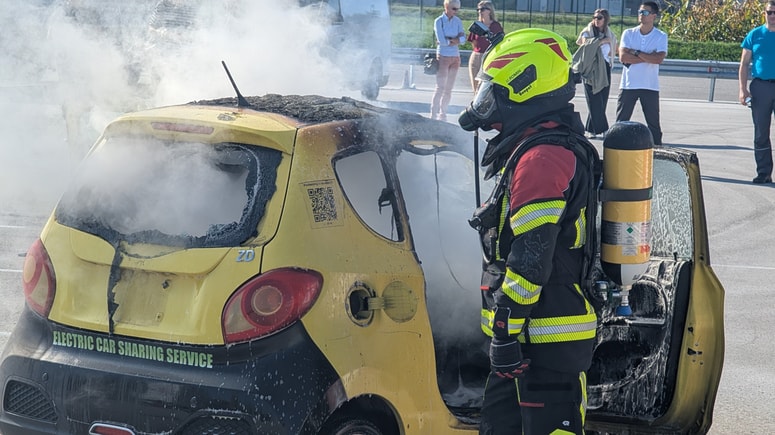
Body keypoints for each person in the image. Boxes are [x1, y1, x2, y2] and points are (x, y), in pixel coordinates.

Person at [458, 28, 598, 435]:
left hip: (544, 342)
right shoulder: (541, 147)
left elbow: (531, 259)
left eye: (492, 92)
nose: (484, 106)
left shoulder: (542, 158)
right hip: (529, 342)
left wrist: (505, 331)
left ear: (525, 88)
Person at [616, 1, 667, 145]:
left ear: (653, 16)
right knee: (621, 122)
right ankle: (616, 149)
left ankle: (657, 151)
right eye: (640, 12)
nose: (641, 15)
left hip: (649, 86)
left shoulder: (660, 36)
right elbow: (623, 57)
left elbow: (658, 59)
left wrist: (636, 52)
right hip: (628, 85)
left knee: (654, 124)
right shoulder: (628, 33)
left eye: (645, 12)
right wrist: (647, 57)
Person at [739, 0, 775, 184]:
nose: (773, 16)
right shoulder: (755, 35)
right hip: (761, 87)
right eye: (770, 12)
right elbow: (744, 64)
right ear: (764, 13)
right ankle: (764, 172)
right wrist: (743, 89)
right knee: (761, 132)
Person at [575, 9, 616, 139]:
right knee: (594, 99)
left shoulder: (610, 34)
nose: (596, 20)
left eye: (599, 17)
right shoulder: (587, 31)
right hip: (591, 68)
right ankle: (603, 129)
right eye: (594, 17)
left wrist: (606, 42)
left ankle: (591, 129)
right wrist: (601, 41)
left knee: (602, 99)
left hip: (605, 67)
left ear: (605, 20)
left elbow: (612, 51)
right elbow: (585, 45)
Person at [431, 0, 466, 121]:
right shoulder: (439, 21)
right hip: (443, 56)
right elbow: (442, 40)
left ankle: (443, 113)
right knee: (440, 87)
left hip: (455, 57)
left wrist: (452, 40)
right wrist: (455, 40)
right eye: (454, 8)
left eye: (457, 9)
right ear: (447, 7)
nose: (456, 11)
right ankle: (433, 114)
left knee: (449, 88)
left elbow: (463, 39)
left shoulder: (458, 21)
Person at [467, 1, 503, 93]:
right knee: (475, 88)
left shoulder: (496, 26)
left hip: (488, 57)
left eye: (482, 9)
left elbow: (500, 42)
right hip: (476, 56)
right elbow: (473, 41)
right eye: (478, 9)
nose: (480, 11)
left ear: (489, 11)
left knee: (482, 87)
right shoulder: (477, 25)